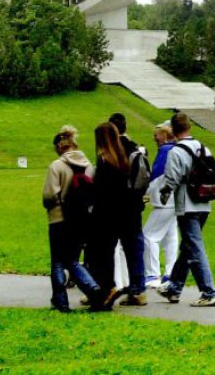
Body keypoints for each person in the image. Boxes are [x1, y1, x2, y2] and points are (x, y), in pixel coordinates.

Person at [41, 125, 115, 312]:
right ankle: (94, 289)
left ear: (59, 147)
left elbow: (50, 195)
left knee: (58, 262)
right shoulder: (89, 165)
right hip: (81, 219)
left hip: (58, 219)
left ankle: (63, 300)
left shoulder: (56, 166)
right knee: (73, 259)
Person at [158, 112, 215, 307]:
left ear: (173, 130)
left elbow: (172, 179)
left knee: (194, 247)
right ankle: (174, 287)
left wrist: (164, 193)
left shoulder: (176, 152)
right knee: (188, 246)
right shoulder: (203, 147)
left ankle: (208, 291)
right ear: (189, 127)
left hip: (187, 204)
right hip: (204, 202)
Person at [90, 121, 147, 306]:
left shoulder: (106, 160)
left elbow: (101, 192)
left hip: (109, 214)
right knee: (133, 251)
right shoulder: (126, 156)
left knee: (103, 252)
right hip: (130, 211)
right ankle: (137, 289)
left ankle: (107, 287)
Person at [143, 123, 179, 289]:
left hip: (163, 201)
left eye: (157, 135)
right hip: (176, 200)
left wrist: (146, 192)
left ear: (165, 135)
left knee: (149, 236)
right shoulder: (178, 149)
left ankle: (152, 274)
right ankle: (170, 273)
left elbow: (156, 175)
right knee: (170, 237)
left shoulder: (165, 151)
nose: (154, 138)